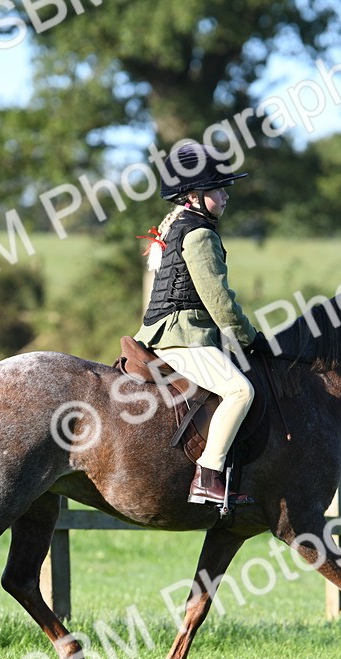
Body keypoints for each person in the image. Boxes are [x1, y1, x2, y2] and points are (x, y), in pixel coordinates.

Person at [134, 142, 263, 507]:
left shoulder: (178, 226)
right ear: (195, 194)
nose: (225, 196)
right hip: (183, 337)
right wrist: (248, 336)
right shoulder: (200, 234)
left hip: (168, 332)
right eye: (218, 190)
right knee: (241, 391)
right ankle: (208, 477)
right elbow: (219, 300)